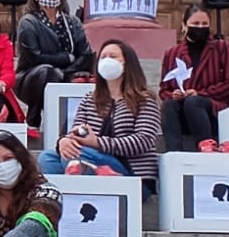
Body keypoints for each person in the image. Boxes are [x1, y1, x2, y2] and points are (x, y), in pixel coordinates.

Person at [38, 40, 161, 193]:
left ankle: (88, 179)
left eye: (113, 56)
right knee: (47, 157)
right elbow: (76, 134)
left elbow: (143, 140)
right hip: (91, 157)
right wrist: (63, 141)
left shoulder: (144, 99)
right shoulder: (89, 99)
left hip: (133, 174)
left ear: (127, 63)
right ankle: (68, 195)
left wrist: (98, 143)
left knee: (81, 153)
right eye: (103, 57)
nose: (107, 60)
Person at [14, 0, 92, 129]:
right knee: (48, 71)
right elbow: (35, 57)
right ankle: (33, 121)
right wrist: (65, 59)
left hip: (67, 73)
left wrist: (69, 70)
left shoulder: (72, 22)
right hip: (31, 78)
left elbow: (85, 53)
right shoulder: (28, 22)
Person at [158, 2, 229, 152]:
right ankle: (173, 152)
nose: (200, 27)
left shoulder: (222, 48)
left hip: (214, 109)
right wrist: (174, 95)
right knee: (169, 105)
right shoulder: (172, 53)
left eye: (204, 24)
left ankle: (206, 146)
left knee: (193, 102)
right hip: (183, 110)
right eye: (195, 23)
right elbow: (164, 90)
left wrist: (200, 94)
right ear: (184, 25)